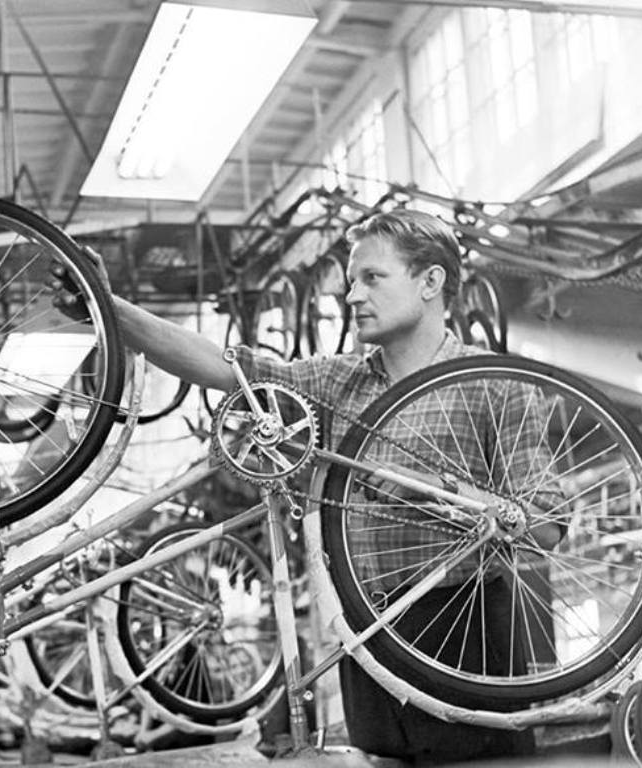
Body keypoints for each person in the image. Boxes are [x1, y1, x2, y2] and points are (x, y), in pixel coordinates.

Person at [52, 207, 561, 764]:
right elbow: (226, 367)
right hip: (366, 628)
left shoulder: (494, 382)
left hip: (464, 623)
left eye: (372, 278)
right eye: (351, 282)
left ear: (431, 281)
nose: (353, 296)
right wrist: (110, 308)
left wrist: (438, 491)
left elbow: (546, 524)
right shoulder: (338, 381)